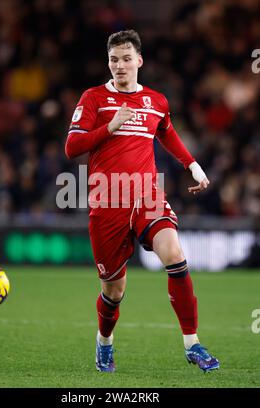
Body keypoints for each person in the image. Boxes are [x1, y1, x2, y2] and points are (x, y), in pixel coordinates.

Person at [65, 29, 219, 373]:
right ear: (109, 63)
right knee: (114, 290)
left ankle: (192, 343)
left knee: (175, 255)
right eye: (113, 60)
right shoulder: (92, 98)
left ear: (139, 61)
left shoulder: (156, 101)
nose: (119, 66)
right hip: (107, 200)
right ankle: (105, 343)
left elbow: (166, 131)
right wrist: (110, 128)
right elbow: (72, 147)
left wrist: (192, 166)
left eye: (125, 59)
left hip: (147, 194)